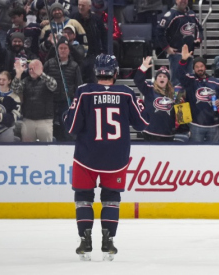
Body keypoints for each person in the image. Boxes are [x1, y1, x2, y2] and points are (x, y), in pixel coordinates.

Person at [63, 54, 148, 261]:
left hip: (86, 157)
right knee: (111, 199)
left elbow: (71, 127)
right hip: (116, 158)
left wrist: (67, 113)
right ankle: (108, 241)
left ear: (96, 72)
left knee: (83, 198)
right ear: (115, 73)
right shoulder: (126, 93)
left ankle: (85, 239)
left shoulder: (84, 91)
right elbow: (141, 123)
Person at [177, 44, 219, 142]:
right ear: (194, 69)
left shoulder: (215, 82)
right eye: (196, 67)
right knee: (196, 153)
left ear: (205, 67)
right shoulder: (190, 80)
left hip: (214, 125)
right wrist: (183, 61)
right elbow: (179, 75)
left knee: (214, 153)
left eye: (201, 66)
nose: (199, 68)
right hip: (196, 125)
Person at [155, 0, 204, 86]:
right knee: (177, 81)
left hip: (189, 53)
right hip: (177, 54)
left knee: (188, 80)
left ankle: (187, 99)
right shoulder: (170, 15)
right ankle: (177, 99)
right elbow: (159, 31)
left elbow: (199, 28)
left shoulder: (192, 14)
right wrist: (166, 47)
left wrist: (198, 39)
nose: (183, 1)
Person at [44, 36, 82, 141]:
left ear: (69, 50)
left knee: (67, 129)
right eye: (60, 48)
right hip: (51, 101)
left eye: (65, 48)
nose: (63, 50)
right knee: (50, 129)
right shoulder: (49, 63)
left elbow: (78, 85)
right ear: (57, 49)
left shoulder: (74, 66)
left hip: (67, 102)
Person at [12, 59, 58, 142]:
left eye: (34, 68)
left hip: (45, 120)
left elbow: (54, 85)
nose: (31, 71)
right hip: (28, 120)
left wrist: (41, 74)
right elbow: (15, 90)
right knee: (27, 149)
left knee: (47, 149)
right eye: (30, 69)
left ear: (42, 68)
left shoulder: (47, 80)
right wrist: (18, 75)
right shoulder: (25, 81)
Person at [134, 57, 176, 141]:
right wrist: (143, 68)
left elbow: (180, 113)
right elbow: (138, 81)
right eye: (160, 76)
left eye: (164, 76)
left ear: (168, 80)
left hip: (167, 134)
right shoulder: (149, 89)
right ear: (156, 79)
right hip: (150, 133)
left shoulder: (174, 93)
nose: (162, 78)